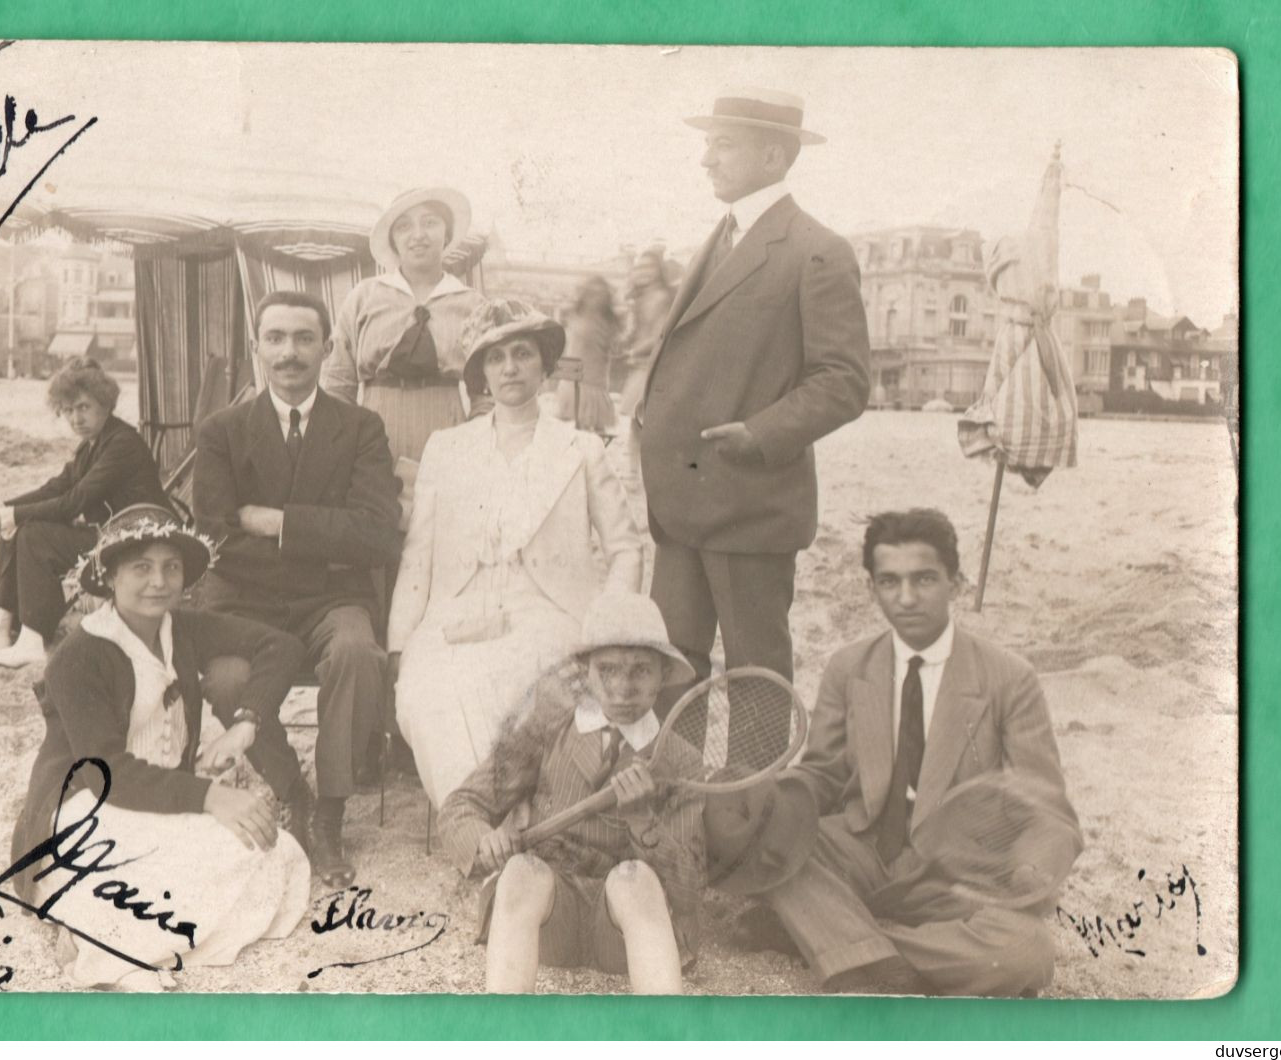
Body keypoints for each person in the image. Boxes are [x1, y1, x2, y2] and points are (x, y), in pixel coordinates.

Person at [720, 509, 1083, 996]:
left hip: (955, 876)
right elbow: (823, 774)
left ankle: (843, 946)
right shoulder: (849, 667)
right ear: (871, 588)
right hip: (861, 852)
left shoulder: (1009, 678)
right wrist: (774, 803)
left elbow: (1049, 809)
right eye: (889, 582)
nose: (906, 598)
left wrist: (1029, 873)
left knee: (1025, 954)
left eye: (925, 579)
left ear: (957, 582)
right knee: (781, 849)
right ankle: (863, 947)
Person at [4, 504, 311, 991]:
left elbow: (283, 646)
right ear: (109, 576)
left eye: (171, 567)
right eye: (141, 568)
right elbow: (108, 774)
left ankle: (108, 930)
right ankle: (105, 951)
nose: (158, 582)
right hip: (88, 807)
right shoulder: (78, 656)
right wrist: (211, 796)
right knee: (141, 869)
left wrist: (245, 724)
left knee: (274, 850)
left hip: (164, 799)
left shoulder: (181, 628)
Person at [634, 89, 870, 688]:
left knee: (755, 673)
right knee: (672, 666)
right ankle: (676, 784)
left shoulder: (818, 250)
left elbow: (844, 380)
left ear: (773, 156)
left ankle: (756, 786)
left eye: (723, 144)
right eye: (708, 144)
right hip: (682, 500)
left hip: (749, 500)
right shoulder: (718, 237)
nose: (706, 160)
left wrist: (759, 435)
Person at [387, 298, 643, 805]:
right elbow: (418, 555)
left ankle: (525, 822)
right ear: (482, 371)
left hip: (551, 611)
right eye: (496, 357)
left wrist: (608, 627)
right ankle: (476, 822)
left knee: (522, 680)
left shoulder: (580, 449)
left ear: (544, 366)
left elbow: (626, 548)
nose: (510, 368)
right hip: (456, 613)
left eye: (523, 354)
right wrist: (400, 641)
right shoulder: (446, 448)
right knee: (428, 690)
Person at [191, 289, 404, 887]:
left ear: (328, 348)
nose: (290, 353)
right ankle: (293, 792)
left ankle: (331, 811)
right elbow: (213, 539)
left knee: (358, 652)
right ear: (256, 348)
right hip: (247, 604)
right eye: (276, 338)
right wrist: (326, 537)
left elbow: (379, 535)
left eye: (304, 338)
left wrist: (280, 522)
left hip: (333, 602)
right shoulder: (221, 431)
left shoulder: (361, 427)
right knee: (229, 679)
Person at [438, 593, 705, 994]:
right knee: (520, 872)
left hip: (623, 931)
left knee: (635, 878)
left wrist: (641, 822)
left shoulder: (681, 760)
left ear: (664, 674)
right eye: (607, 670)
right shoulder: (548, 729)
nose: (622, 689)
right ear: (585, 670)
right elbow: (461, 806)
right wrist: (484, 841)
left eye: (641, 671)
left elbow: (687, 892)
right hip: (549, 920)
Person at [0, 358, 170, 669]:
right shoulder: (92, 445)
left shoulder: (122, 444)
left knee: (34, 534)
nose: (76, 418)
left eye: (84, 407)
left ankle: (33, 641)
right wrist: (1, 511)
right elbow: (55, 488)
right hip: (115, 534)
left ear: (105, 403)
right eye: (68, 410)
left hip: (139, 540)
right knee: (20, 523)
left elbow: (73, 502)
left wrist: (8, 517)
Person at [320, 186, 487, 466]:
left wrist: (472, 441)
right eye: (404, 226)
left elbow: (486, 391)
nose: (418, 235)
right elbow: (338, 383)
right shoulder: (364, 296)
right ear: (393, 240)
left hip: (449, 428)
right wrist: (346, 444)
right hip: (374, 431)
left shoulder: (473, 304)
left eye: (430, 222)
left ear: (446, 234)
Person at [549, 275, 621, 434]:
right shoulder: (576, 315)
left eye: (599, 294)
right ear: (585, 294)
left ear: (606, 298)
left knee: (593, 422)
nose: (595, 298)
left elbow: (613, 349)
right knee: (578, 424)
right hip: (575, 375)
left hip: (595, 376)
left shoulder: (607, 322)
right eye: (591, 293)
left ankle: (595, 448)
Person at [616, 248, 676, 417]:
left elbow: (659, 335)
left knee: (630, 417)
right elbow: (635, 332)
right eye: (639, 267)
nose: (642, 272)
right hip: (639, 365)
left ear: (658, 271)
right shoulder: (641, 298)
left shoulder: (660, 297)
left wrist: (632, 351)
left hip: (650, 368)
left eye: (648, 267)